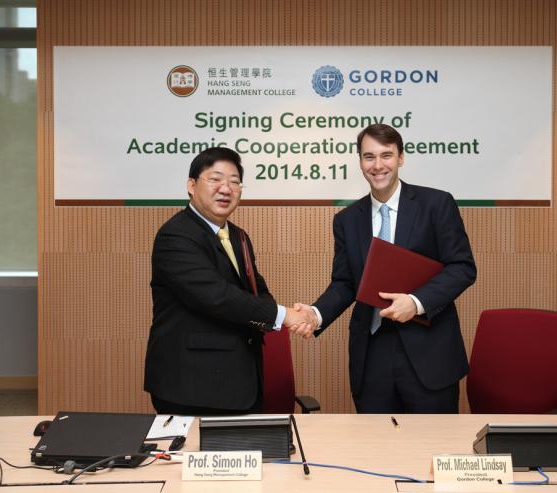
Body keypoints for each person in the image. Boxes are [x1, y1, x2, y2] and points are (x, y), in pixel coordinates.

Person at [292, 124, 476, 413]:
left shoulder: (436, 204)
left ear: (401, 158)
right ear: (360, 162)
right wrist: (316, 315)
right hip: (372, 354)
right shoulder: (348, 220)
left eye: (386, 155)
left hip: (429, 353)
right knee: (375, 452)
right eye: (369, 157)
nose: (378, 165)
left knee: (431, 446)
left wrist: (416, 303)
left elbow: (462, 267)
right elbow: (345, 283)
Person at [144, 146, 312, 415]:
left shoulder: (238, 236)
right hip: (192, 385)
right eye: (215, 179)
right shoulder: (175, 236)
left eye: (234, 182)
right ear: (191, 185)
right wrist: (285, 316)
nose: (226, 188)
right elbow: (216, 296)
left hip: (240, 382)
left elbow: (257, 289)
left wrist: (281, 314)